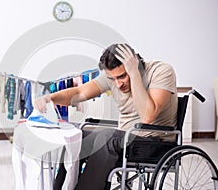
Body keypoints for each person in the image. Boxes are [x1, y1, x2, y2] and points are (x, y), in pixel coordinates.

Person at [35, 43, 178, 190]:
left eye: (122, 76)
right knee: (77, 137)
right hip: (124, 140)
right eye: (112, 79)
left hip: (155, 142)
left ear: (135, 64)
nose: (118, 84)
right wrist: (50, 98)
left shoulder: (161, 71)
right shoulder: (112, 78)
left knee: (108, 137)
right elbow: (79, 92)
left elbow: (148, 115)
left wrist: (134, 74)